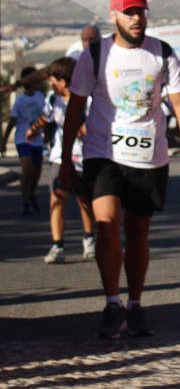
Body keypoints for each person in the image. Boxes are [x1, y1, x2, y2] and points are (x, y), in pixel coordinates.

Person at [60, 0, 180, 338]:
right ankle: (112, 303)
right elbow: (75, 109)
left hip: (148, 156)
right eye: (130, 12)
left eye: (141, 11)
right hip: (103, 154)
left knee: (138, 232)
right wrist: (65, 159)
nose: (137, 18)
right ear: (114, 16)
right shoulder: (94, 56)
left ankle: (135, 304)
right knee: (106, 225)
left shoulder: (163, 53)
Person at [25, 57, 95, 264]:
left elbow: (90, 130)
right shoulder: (53, 100)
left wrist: (80, 127)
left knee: (84, 201)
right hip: (59, 156)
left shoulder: (88, 101)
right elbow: (45, 118)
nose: (51, 85)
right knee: (57, 199)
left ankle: (89, 238)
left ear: (63, 82)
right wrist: (33, 130)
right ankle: (58, 246)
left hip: (84, 158)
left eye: (53, 81)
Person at [0, 25, 101, 96]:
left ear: (100, 39)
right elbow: (47, 71)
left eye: (92, 39)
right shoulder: (75, 59)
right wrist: (18, 84)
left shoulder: (109, 58)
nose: (88, 44)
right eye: (84, 40)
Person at [2, 66, 46, 214]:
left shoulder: (40, 97)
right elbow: (12, 122)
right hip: (22, 139)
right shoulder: (20, 101)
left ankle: (30, 193)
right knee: (26, 170)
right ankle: (25, 201)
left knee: (36, 171)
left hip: (38, 140)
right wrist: (4, 141)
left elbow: (47, 117)